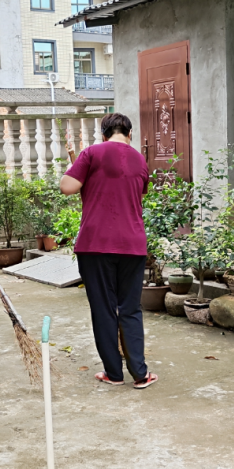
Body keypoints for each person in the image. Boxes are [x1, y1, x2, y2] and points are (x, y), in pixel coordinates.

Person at [60, 113, 158, 389]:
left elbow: (67, 187)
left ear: (103, 134)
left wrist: (81, 175)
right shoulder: (139, 159)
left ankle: (113, 374)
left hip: (96, 244)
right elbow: (138, 193)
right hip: (133, 244)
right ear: (130, 134)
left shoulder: (91, 153)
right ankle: (140, 374)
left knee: (103, 309)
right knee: (130, 309)